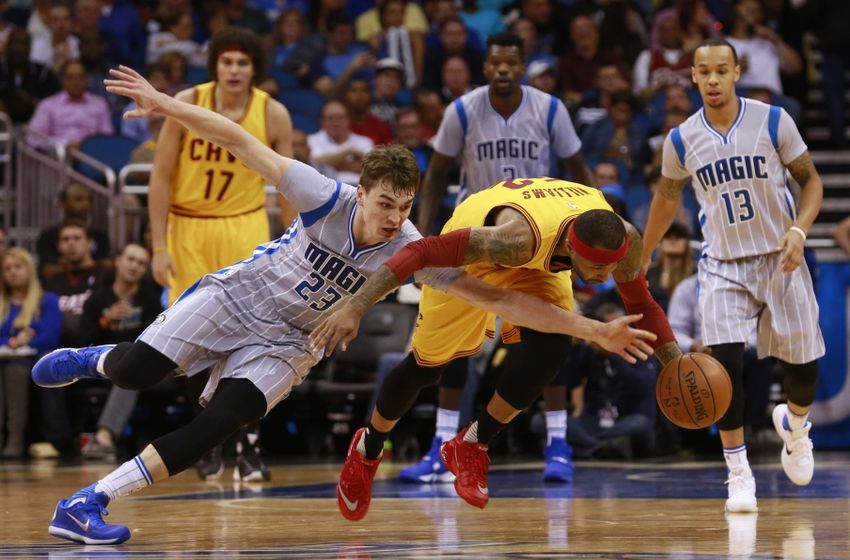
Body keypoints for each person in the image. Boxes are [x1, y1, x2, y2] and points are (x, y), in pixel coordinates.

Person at [31, 64, 654, 545]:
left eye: (405, 208)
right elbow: (240, 142)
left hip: (292, 343)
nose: (394, 219)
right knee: (139, 371)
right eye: (385, 204)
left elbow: (495, 297)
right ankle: (97, 357)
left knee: (215, 428)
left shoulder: (408, 247)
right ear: (362, 193)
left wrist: (587, 330)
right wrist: (167, 105)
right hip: (242, 296)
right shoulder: (321, 194)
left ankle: (88, 503)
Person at [312, 176, 682, 520]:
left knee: (553, 345)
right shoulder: (514, 239)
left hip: (538, 263)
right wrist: (356, 307)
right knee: (427, 369)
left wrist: (676, 364)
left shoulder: (625, 240)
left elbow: (643, 305)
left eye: (611, 266)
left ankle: (472, 443)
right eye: (596, 267)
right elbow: (419, 252)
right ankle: (368, 449)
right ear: (572, 245)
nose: (604, 276)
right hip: (478, 252)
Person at [640, 38, 824, 514]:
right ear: (694, 77)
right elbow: (665, 198)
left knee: (803, 372)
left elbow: (811, 181)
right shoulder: (681, 139)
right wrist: (643, 254)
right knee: (722, 367)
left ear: (737, 72)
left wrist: (800, 231)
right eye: (705, 71)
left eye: (723, 70)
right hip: (722, 264)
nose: (714, 79)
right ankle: (738, 473)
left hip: (780, 255)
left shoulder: (773, 120)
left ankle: (796, 426)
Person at [410, 32, 595, 485]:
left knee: (547, 337)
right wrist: (427, 234)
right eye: (496, 63)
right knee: (453, 346)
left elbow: (579, 170)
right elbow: (435, 176)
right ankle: (441, 444)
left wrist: (590, 227)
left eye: (512, 63)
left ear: (522, 64)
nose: (504, 70)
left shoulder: (550, 109)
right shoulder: (462, 110)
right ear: (486, 67)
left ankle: (558, 443)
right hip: (479, 241)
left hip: (541, 239)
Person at [148, 26, 295, 481]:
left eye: (243, 62)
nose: (234, 69)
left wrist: (297, 240)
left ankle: (248, 446)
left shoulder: (273, 113)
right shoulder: (188, 100)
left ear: (255, 69)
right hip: (188, 229)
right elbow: (160, 177)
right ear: (215, 64)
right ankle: (205, 444)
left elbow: (288, 183)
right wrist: (157, 245)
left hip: (245, 227)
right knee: (190, 342)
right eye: (227, 61)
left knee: (254, 339)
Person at [78, 244, 164, 461]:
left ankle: (104, 438)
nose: (135, 266)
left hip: (140, 368)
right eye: (131, 259)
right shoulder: (97, 299)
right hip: (99, 366)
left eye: (141, 263)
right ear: (118, 261)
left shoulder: (150, 302)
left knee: (129, 372)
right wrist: (105, 322)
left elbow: (158, 341)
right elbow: (80, 341)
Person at [0, 247, 61, 458]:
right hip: (4, 356)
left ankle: (15, 437)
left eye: (17, 267)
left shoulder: (46, 299)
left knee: (15, 370)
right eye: (7, 268)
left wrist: (27, 341)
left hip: (30, 360)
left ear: (29, 269)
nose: (12, 272)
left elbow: (50, 335)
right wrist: (12, 341)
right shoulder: (2, 303)